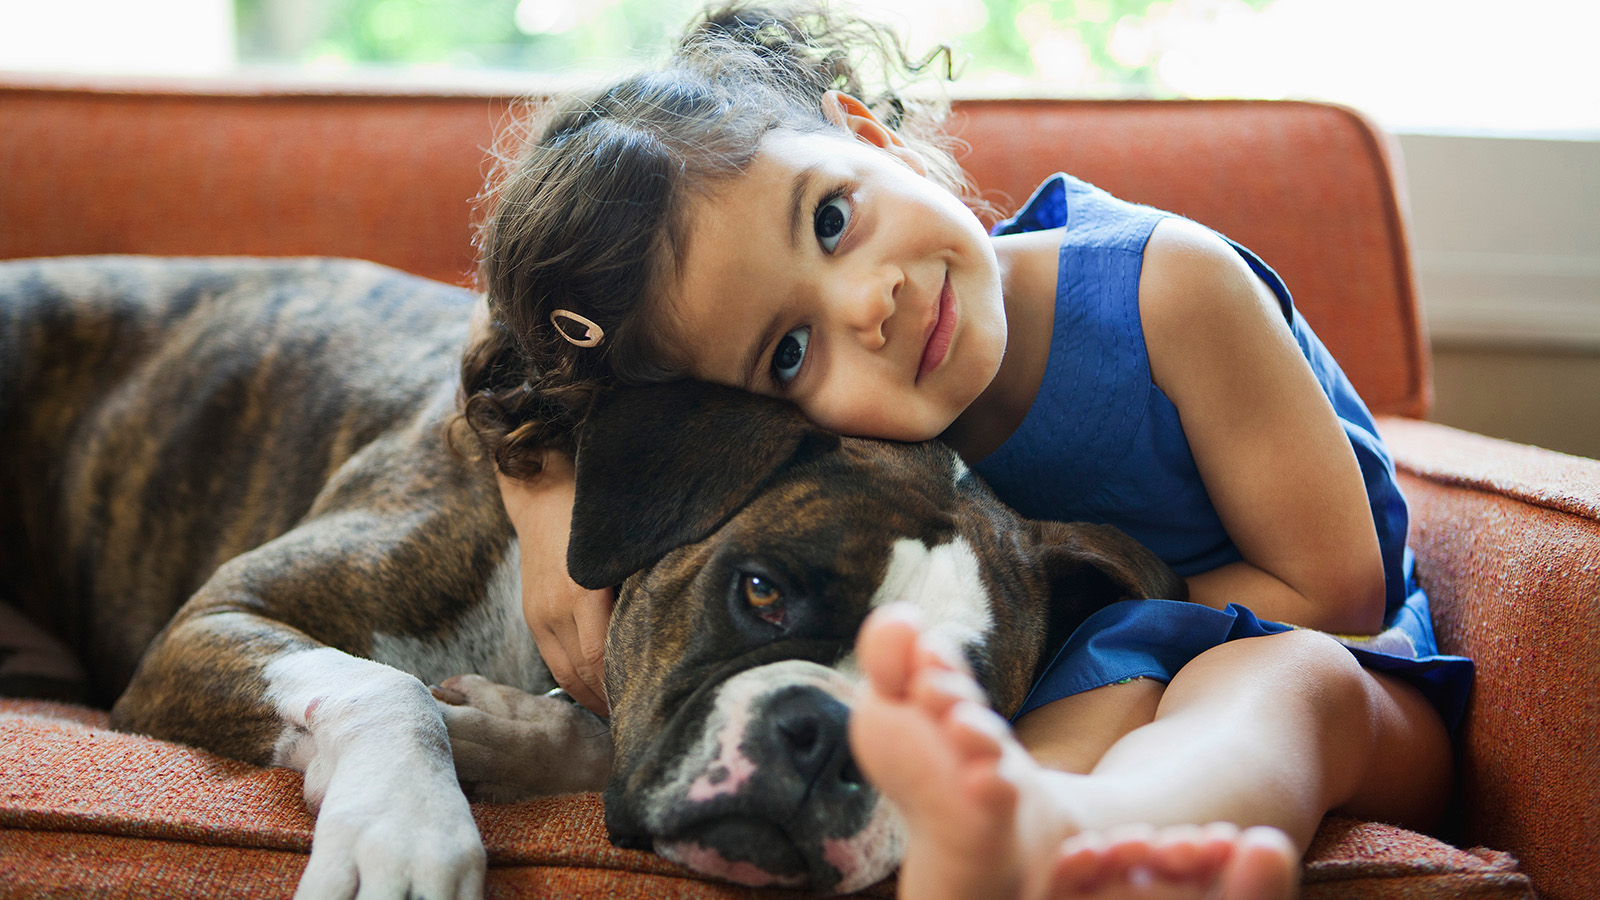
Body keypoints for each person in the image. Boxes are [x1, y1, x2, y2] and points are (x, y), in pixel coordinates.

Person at [459, 3, 1473, 898]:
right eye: (788, 350)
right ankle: (1018, 855)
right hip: (1073, 676)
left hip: (1354, 674)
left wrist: (1072, 614)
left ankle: (1107, 838)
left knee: (1271, 680)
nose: (869, 302)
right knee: (974, 755)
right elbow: (507, 344)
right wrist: (549, 514)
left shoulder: (1169, 289)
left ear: (868, 136)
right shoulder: (850, 437)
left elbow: (1339, 590)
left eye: (830, 218)